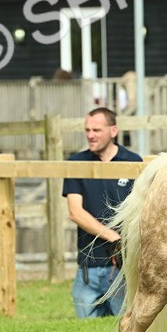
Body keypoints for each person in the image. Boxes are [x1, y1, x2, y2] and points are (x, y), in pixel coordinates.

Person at [63, 107, 142, 318]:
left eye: (96, 130)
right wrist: (114, 238)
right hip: (88, 268)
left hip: (124, 267)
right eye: (87, 130)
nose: (90, 135)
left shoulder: (134, 162)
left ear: (113, 130)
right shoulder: (76, 164)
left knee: (126, 326)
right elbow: (75, 212)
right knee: (85, 331)